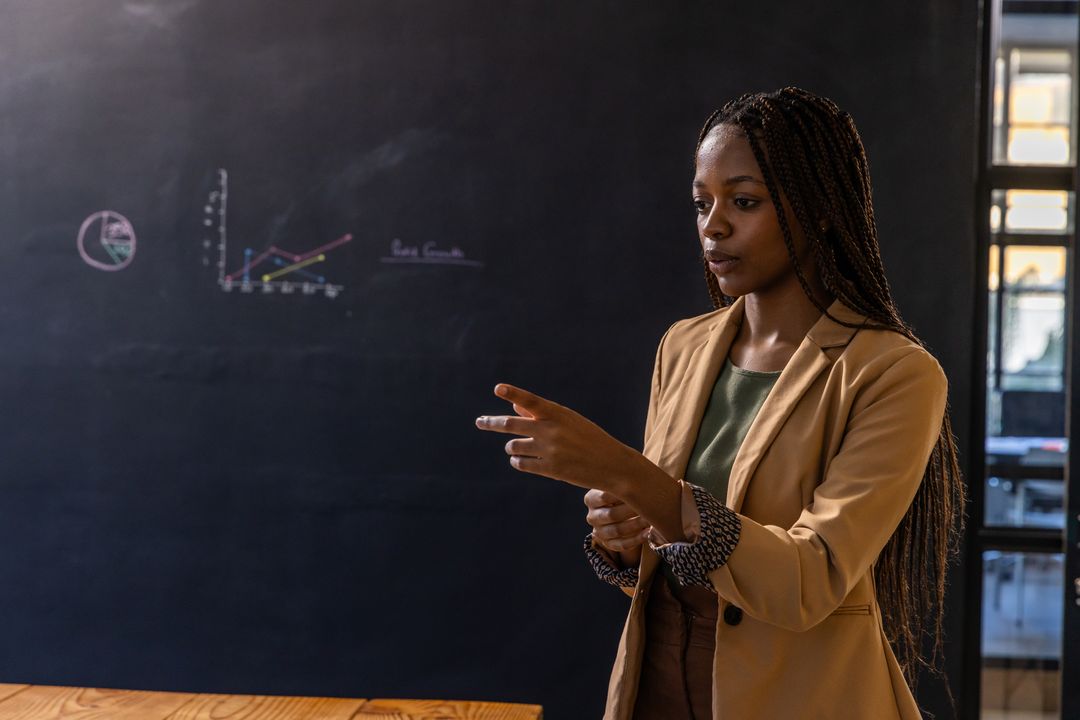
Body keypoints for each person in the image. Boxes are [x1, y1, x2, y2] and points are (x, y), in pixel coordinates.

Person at [474, 87, 965, 720]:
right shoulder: (683, 346)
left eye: (744, 201)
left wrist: (624, 473)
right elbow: (668, 555)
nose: (714, 225)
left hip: (801, 698)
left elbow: (809, 582)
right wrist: (623, 540)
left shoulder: (893, 374)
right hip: (657, 687)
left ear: (818, 209)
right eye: (702, 203)